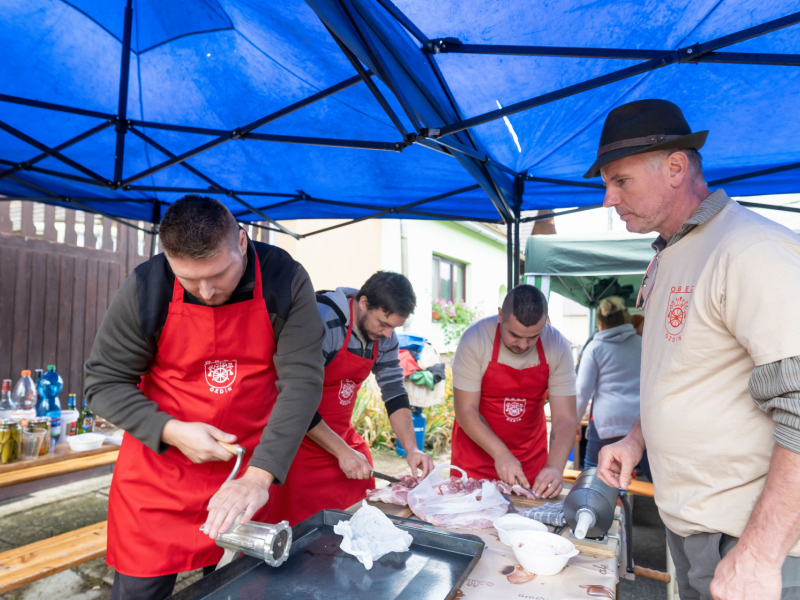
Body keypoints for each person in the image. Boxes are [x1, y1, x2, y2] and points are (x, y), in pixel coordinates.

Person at [587, 99, 800, 600]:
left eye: (620, 181)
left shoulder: (750, 249)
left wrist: (760, 553)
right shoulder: (670, 255)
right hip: (694, 528)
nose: (607, 199)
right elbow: (683, 376)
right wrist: (637, 438)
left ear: (677, 167)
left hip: (754, 542)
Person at [84, 196, 325, 600]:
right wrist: (171, 430)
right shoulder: (148, 287)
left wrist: (259, 475)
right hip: (159, 477)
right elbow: (104, 381)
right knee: (138, 593)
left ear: (242, 243)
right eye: (189, 279)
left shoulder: (285, 280)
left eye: (218, 273)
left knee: (238, 589)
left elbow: (302, 381)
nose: (207, 291)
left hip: (250, 470)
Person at [265, 273, 434, 525]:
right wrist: (341, 451)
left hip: (341, 435)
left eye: (394, 328)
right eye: (383, 324)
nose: (388, 334)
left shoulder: (384, 335)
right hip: (296, 440)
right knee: (300, 529)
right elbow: (297, 398)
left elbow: (394, 391)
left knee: (356, 518)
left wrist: (412, 448)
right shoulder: (320, 320)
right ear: (363, 303)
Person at [451, 285, 578, 498]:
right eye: (514, 335)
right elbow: (466, 410)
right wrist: (501, 453)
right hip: (473, 465)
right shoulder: (475, 339)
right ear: (501, 315)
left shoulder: (557, 346)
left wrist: (555, 467)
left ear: (546, 321)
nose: (523, 344)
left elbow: (565, 418)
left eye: (533, 337)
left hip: (529, 467)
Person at [575, 296, 648, 477]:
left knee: (594, 472)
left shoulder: (595, 347)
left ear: (600, 322)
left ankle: (597, 504)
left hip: (606, 423)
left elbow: (582, 391)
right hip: (640, 422)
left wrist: (575, 420)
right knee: (646, 473)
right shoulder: (642, 344)